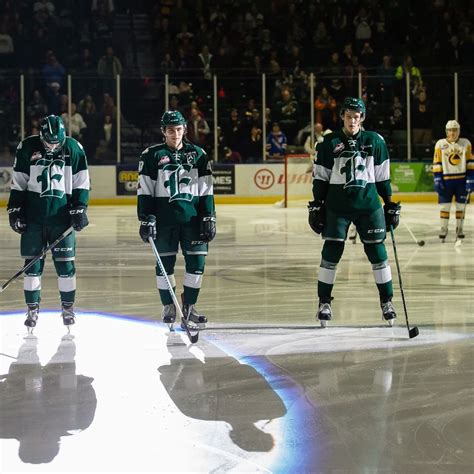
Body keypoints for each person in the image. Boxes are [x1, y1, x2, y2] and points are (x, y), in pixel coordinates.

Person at [308, 97, 401, 327]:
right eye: (348, 116)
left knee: (378, 253)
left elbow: (382, 176)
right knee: (331, 252)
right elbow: (321, 177)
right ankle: (324, 303)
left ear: (362, 118)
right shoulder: (328, 142)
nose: (352, 121)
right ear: (342, 116)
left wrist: (389, 203)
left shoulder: (375, 141)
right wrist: (317, 203)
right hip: (337, 206)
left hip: (368, 206)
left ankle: (386, 302)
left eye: (356, 117)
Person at [7, 115, 90, 330]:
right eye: (49, 142)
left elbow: (82, 182)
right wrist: (15, 211)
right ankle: (32, 309)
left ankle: (68, 308)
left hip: (61, 221)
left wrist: (79, 208)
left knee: (66, 266)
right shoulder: (27, 147)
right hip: (34, 220)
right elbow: (19, 183)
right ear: (41, 135)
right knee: (32, 267)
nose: (53, 146)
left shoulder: (73, 148)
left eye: (57, 142)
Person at [137, 110, 216, 330]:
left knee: (197, 264)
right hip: (164, 222)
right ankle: (169, 306)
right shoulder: (151, 155)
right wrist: (146, 218)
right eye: (171, 130)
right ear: (163, 131)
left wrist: (209, 216)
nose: (175, 134)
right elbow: (145, 190)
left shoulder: (198, 155)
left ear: (184, 130)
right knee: (164, 266)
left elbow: (206, 189)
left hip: (193, 221)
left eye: (179, 129)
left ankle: (189, 306)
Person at [433, 120, 473, 241]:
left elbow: (470, 162)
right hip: (446, 181)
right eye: (450, 130)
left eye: (455, 130)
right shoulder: (440, 144)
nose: (452, 133)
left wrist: (471, 178)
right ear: (446, 131)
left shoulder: (466, 143)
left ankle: (459, 229)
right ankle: (443, 229)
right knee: (444, 207)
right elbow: (437, 162)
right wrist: (438, 178)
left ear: (459, 131)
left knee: (461, 207)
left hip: (462, 181)